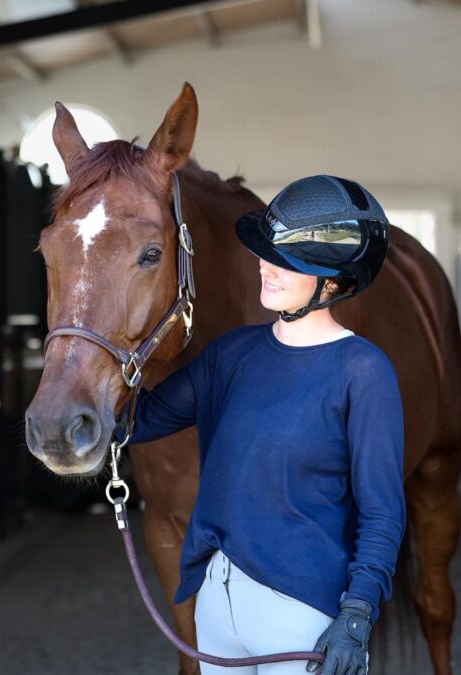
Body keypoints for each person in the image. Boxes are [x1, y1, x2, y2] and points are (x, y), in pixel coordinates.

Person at [116, 175, 405, 675]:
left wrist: (357, 614)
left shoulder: (363, 370)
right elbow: (136, 422)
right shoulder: (231, 353)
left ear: (331, 282)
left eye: (286, 262)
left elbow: (382, 510)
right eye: (268, 252)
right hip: (216, 605)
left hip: (300, 613)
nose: (265, 267)